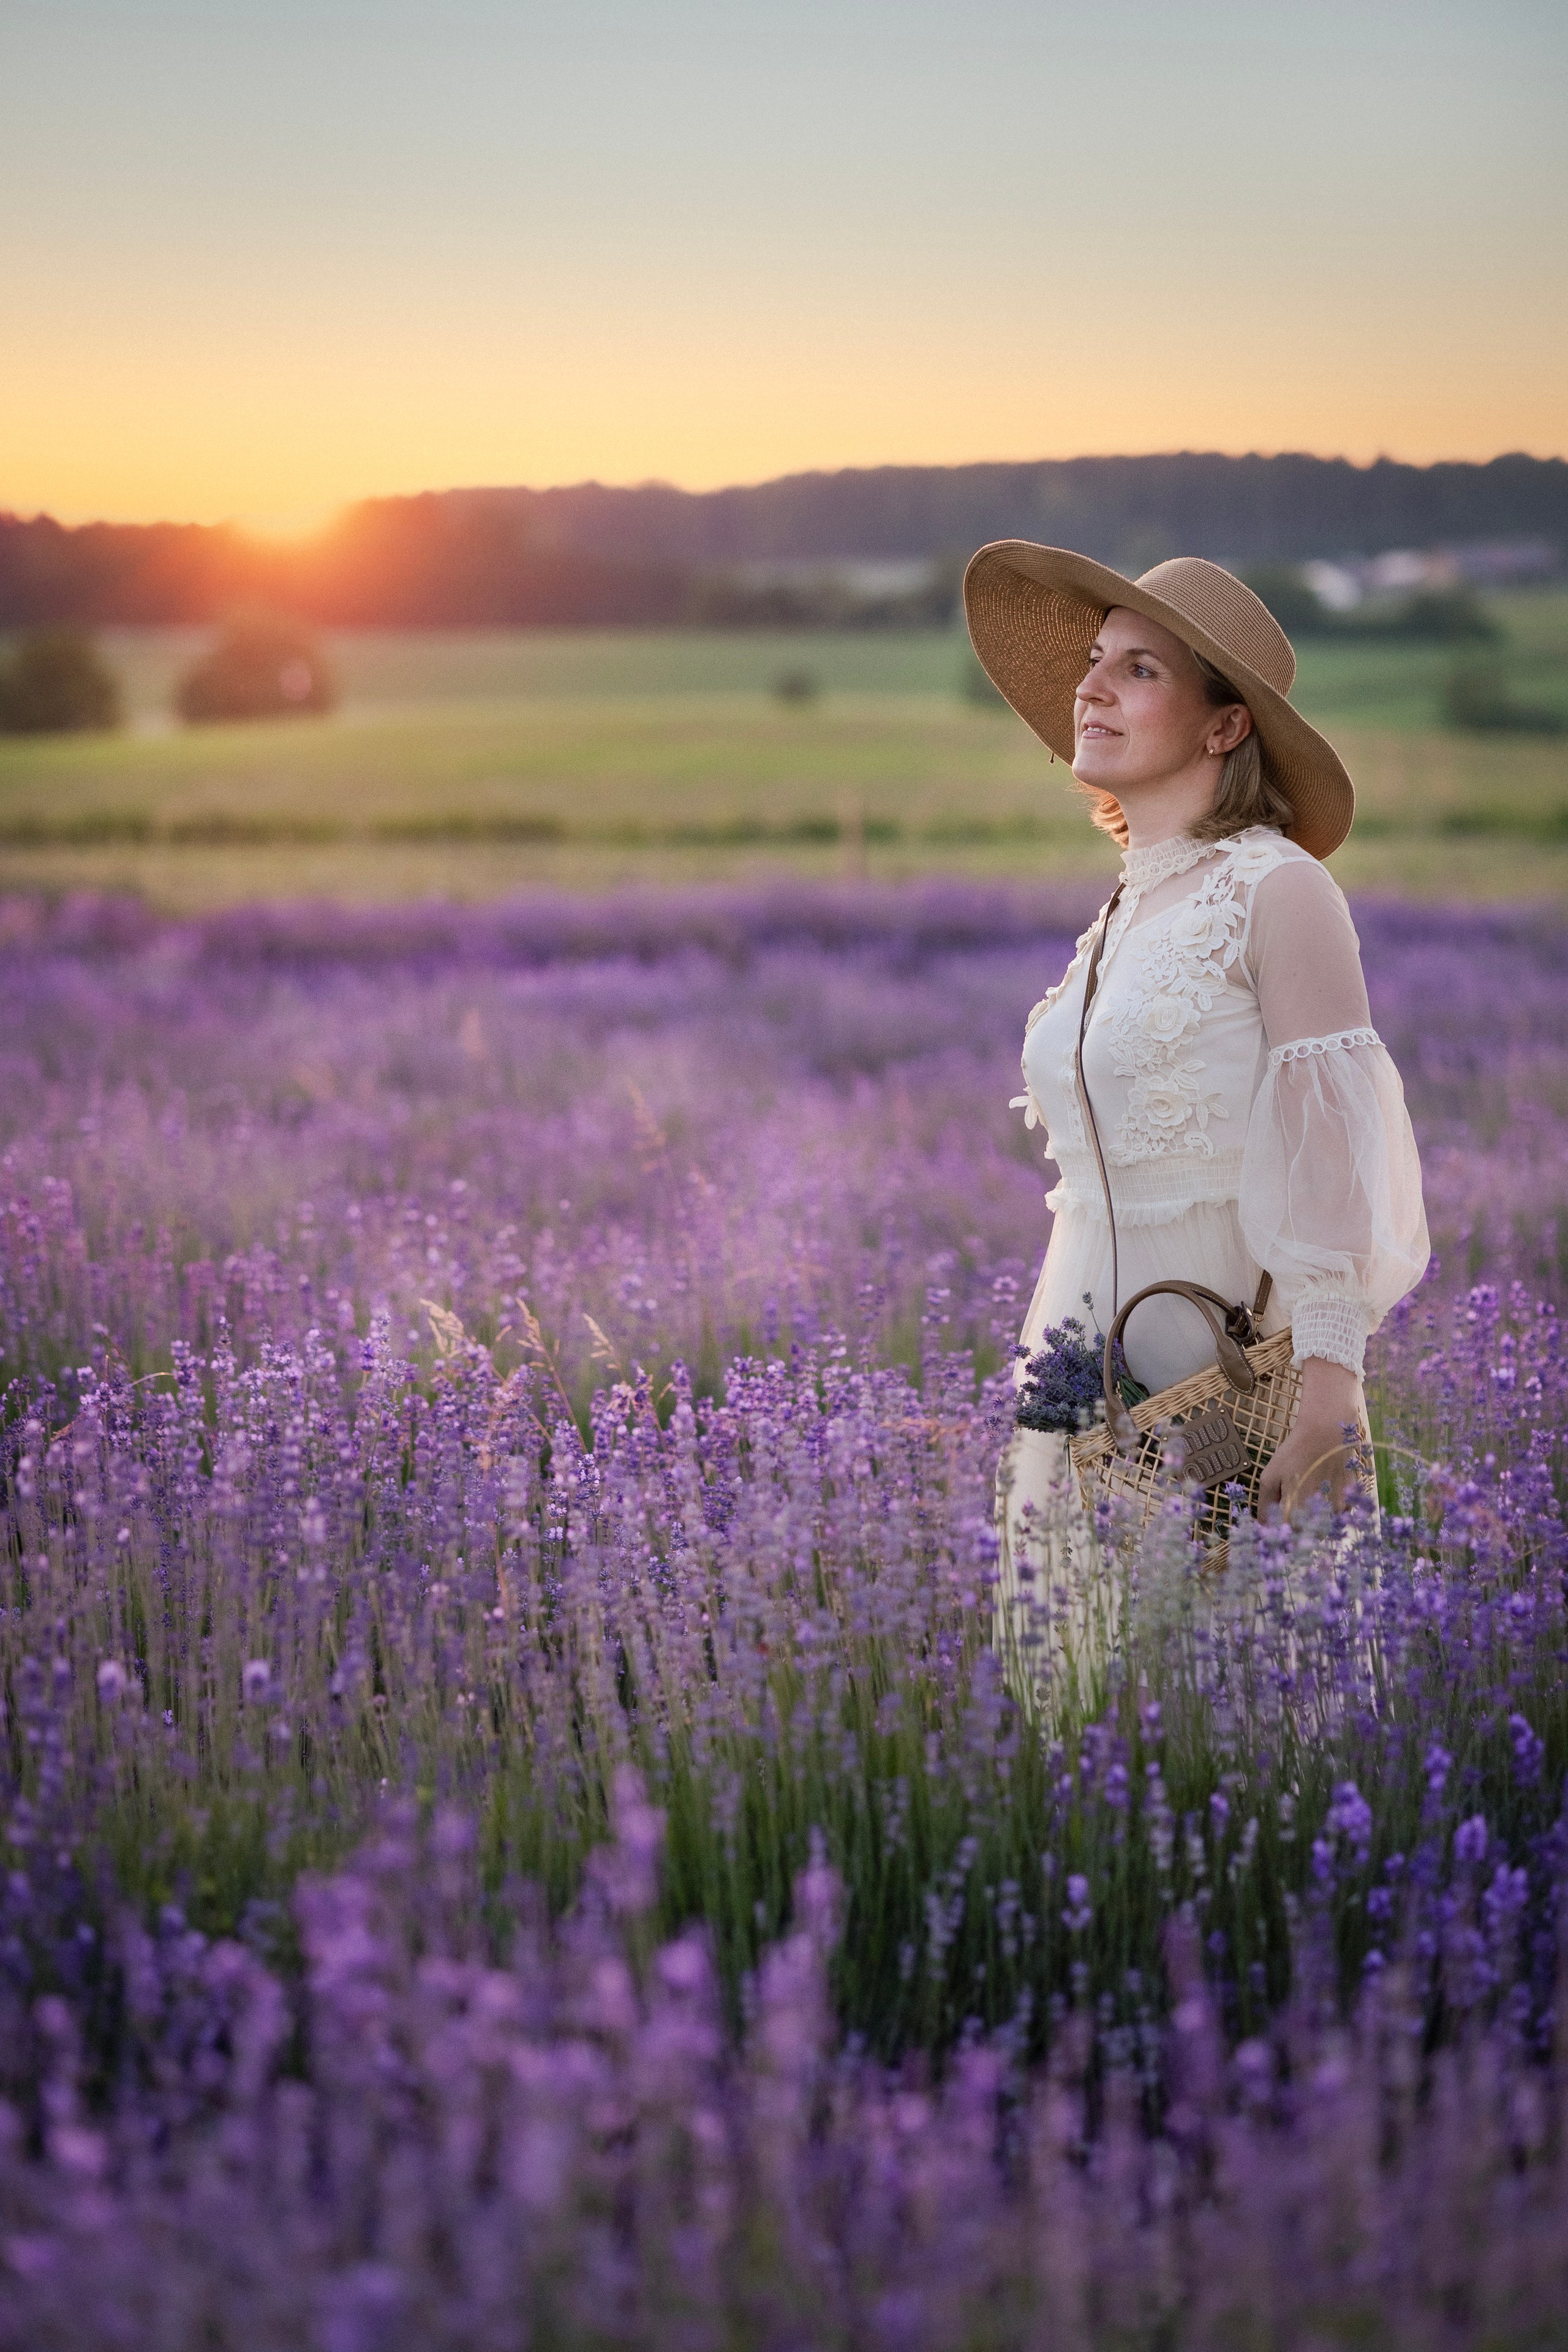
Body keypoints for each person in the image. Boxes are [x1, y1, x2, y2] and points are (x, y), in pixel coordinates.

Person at [963, 546, 1430, 1687]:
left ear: (1226, 728)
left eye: (1139, 669)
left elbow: (1335, 1147)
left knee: (1252, 1723)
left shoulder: (1279, 889)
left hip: (1229, 1368)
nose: (1092, 688)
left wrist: (1329, 1396)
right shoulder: (1127, 903)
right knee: (1081, 1707)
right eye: (1092, 663)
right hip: (1077, 1361)